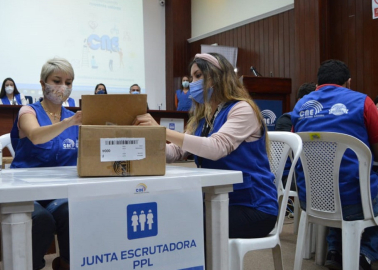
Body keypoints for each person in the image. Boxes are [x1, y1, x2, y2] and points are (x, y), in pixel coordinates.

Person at [133, 53, 278, 238]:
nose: (192, 83)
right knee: (169, 214)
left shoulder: (242, 109)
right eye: (192, 77)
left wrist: (161, 131)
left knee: (184, 224)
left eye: (198, 76)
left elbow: (215, 148)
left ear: (217, 76)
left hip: (253, 207)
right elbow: (175, 152)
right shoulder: (204, 116)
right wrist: (140, 148)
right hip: (218, 201)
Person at [290, 59, 378, 269]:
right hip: (355, 200)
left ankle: (335, 250)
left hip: (311, 198)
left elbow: (296, 145)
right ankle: (365, 252)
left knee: (339, 182)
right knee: (353, 182)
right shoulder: (363, 102)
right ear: (348, 82)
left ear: (318, 83)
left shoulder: (300, 106)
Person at [10, 57, 82, 270]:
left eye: (68, 83)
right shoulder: (28, 111)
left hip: (60, 191)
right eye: (57, 80)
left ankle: (67, 264)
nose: (63, 87)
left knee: (74, 212)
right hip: (26, 190)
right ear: (43, 84)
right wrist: (66, 123)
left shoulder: (74, 118)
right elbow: (35, 136)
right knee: (40, 220)